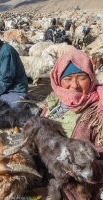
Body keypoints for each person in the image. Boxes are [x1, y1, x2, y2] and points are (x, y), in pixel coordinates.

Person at [39, 49, 103, 199]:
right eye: (68, 78)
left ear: (91, 78)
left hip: (77, 188)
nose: (74, 85)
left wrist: (85, 167)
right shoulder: (53, 103)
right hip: (44, 175)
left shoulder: (98, 111)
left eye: (81, 78)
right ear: (58, 79)